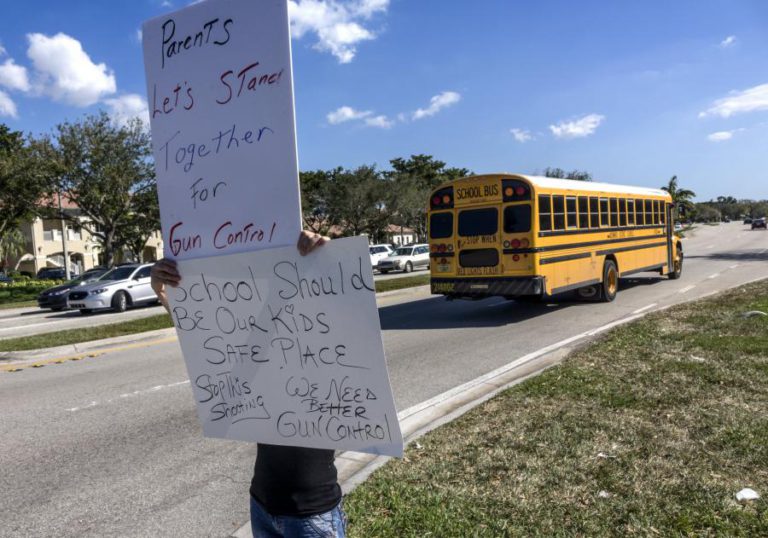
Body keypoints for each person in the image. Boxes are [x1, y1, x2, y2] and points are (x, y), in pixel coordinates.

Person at [151, 230, 347, 538]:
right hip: (262, 504)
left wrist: (331, 257)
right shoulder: (256, 347)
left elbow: (349, 312)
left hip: (311, 514)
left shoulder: (322, 344)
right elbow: (209, 336)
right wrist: (163, 292)